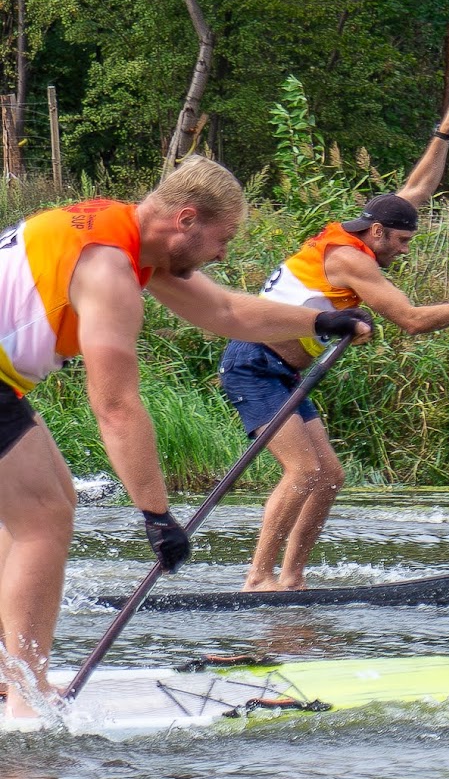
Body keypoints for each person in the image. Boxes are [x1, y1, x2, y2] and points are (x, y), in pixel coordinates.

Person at [0, 156, 373, 719]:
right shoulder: (107, 271)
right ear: (187, 219)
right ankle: (28, 699)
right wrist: (156, 516)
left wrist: (316, 322)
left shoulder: (118, 231)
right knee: (45, 516)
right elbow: (117, 407)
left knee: (38, 510)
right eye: (220, 240)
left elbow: (224, 309)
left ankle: (13, 679)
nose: (222, 254)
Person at [221, 101, 449, 592]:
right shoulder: (350, 260)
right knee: (302, 469)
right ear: (376, 233)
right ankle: (257, 579)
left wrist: (443, 132)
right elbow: (410, 321)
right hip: (252, 363)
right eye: (400, 242)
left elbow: (417, 190)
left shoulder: (368, 228)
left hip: (286, 370)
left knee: (330, 475)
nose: (403, 250)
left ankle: (291, 578)